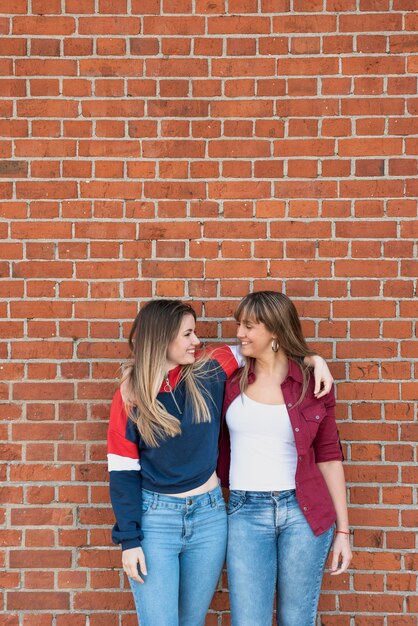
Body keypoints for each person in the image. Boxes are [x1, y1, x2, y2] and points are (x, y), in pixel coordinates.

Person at [107, 298, 334, 626]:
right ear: (162, 338)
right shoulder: (130, 396)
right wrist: (129, 540)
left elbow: (267, 348)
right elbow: (123, 471)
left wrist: (314, 359)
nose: (197, 341)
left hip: (208, 517)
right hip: (157, 520)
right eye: (187, 334)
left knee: (192, 621)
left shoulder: (210, 368)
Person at [217, 291, 352, 626]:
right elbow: (181, 361)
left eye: (249, 326)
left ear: (275, 331)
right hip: (245, 513)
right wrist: (313, 356)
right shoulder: (229, 378)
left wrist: (344, 532)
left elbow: (329, 456)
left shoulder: (312, 384)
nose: (240, 333)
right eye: (239, 324)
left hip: (302, 514)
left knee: (297, 619)